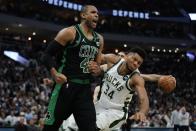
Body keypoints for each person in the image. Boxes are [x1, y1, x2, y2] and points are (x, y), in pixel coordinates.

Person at [41, 5, 104, 131]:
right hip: (65, 88)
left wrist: (98, 70)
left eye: (97, 13)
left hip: (85, 90)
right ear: (83, 15)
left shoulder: (100, 39)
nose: (97, 15)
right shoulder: (69, 32)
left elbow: (97, 68)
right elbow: (46, 55)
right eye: (93, 12)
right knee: (50, 128)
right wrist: (54, 73)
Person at [64, 47, 149, 131]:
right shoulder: (113, 60)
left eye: (139, 63)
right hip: (100, 104)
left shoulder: (136, 78)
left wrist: (142, 112)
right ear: (127, 56)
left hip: (115, 112)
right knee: (71, 122)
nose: (135, 63)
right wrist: (96, 67)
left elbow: (143, 98)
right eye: (134, 59)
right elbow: (97, 57)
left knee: (90, 127)